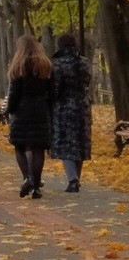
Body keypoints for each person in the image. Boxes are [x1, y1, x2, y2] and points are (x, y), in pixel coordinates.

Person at [4, 34, 55, 198]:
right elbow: (52, 92)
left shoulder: (19, 66)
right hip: (40, 110)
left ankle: (27, 178)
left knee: (20, 146)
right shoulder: (45, 65)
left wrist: (9, 109)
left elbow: (14, 93)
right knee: (38, 148)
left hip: (22, 110)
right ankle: (36, 187)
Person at [51, 33, 93, 192]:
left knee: (66, 143)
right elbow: (87, 82)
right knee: (80, 142)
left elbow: (56, 88)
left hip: (64, 108)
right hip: (82, 106)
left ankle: (73, 179)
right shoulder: (84, 63)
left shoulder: (58, 64)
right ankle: (77, 179)